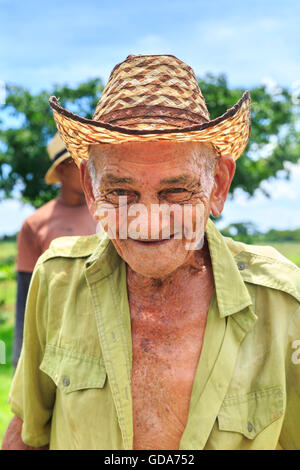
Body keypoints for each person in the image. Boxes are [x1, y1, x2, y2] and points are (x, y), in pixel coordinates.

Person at [3, 54, 300, 450]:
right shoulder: (58, 279)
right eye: (120, 192)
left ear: (218, 186)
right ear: (91, 192)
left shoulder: (284, 301)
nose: (147, 224)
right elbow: (27, 432)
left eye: (176, 191)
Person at [12, 133, 97, 367]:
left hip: (103, 334)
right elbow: (26, 295)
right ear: (61, 171)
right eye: (77, 163)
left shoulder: (109, 217)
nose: (87, 170)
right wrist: (20, 355)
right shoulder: (35, 225)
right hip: (56, 341)